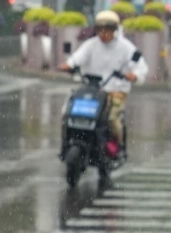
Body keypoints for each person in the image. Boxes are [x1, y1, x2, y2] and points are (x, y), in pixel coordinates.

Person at [60, 9, 147, 153]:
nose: (103, 33)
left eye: (108, 29)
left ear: (115, 30)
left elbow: (140, 66)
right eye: (100, 29)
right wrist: (69, 64)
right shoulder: (91, 44)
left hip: (116, 90)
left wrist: (135, 75)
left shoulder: (126, 47)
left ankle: (116, 147)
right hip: (93, 90)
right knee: (69, 112)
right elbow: (77, 57)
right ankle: (66, 145)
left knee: (112, 118)